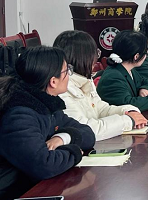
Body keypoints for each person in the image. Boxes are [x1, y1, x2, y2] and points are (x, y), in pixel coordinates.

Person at [0, 46, 95, 199]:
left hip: (34, 188)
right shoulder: (19, 115)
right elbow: (43, 165)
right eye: (66, 71)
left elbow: (88, 133)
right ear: (53, 81)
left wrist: (63, 138)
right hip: (15, 193)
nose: (69, 75)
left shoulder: (47, 105)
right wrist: (75, 152)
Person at [54, 30, 148, 141]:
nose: (96, 60)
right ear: (83, 57)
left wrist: (128, 111)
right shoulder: (61, 89)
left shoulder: (84, 80)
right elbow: (85, 129)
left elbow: (101, 109)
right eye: (95, 54)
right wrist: (128, 121)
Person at [97, 30, 148, 112]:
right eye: (146, 53)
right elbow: (129, 104)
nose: (146, 56)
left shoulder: (130, 70)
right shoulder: (113, 77)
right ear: (136, 56)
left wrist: (145, 88)